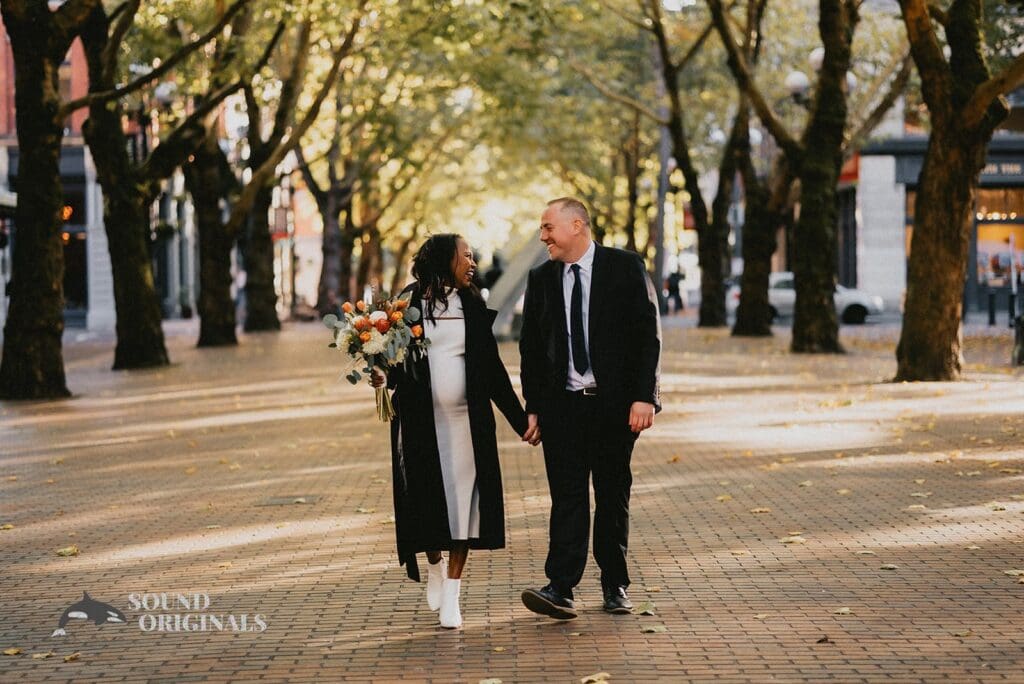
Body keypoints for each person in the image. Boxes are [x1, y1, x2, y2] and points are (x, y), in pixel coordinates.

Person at [374, 233, 539, 630]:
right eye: (465, 256)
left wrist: (521, 421)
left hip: (468, 424)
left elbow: (493, 370)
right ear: (444, 259)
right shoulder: (408, 302)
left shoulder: (472, 303)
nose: (472, 262)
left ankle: (453, 594)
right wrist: (379, 373)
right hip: (420, 424)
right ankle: (434, 562)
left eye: (471, 257)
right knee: (427, 502)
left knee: (466, 508)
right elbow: (390, 360)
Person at [519, 197, 661, 619]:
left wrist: (644, 396)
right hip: (562, 408)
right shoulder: (541, 278)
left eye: (548, 227)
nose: (543, 236)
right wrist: (534, 407)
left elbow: (646, 336)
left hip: (615, 407)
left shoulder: (624, 267)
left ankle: (615, 583)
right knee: (567, 498)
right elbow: (531, 349)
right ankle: (560, 587)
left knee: (612, 495)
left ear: (576, 225)